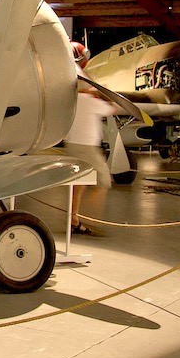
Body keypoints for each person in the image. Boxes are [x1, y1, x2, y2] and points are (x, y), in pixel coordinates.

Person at [63, 43, 119, 235]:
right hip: (88, 148)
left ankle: (74, 218)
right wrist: (107, 96)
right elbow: (113, 109)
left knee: (79, 183)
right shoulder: (91, 101)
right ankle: (90, 219)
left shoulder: (74, 101)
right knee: (104, 182)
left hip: (72, 144)